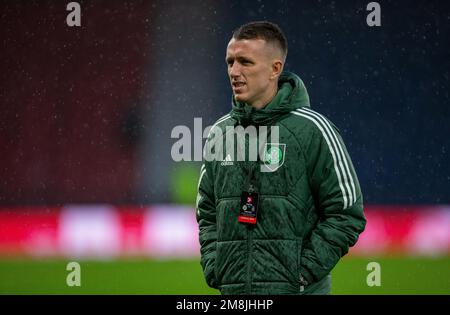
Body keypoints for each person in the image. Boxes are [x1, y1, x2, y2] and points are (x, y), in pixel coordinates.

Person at [196, 21, 366, 295]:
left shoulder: (313, 130)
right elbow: (207, 212)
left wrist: (301, 274)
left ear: (275, 69)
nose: (234, 72)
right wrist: (216, 268)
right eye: (230, 62)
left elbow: (346, 213)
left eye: (245, 62)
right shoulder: (220, 132)